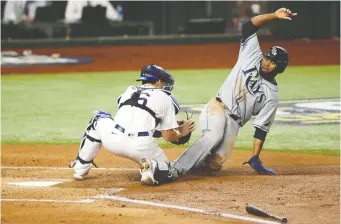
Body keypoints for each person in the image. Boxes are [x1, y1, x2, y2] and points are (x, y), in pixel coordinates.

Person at [139, 8, 297, 185]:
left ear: (280, 68)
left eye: (273, 62)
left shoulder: (271, 96)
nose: (267, 62)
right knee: (212, 137)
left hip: (235, 123)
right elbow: (249, 27)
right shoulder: (252, 55)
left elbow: (261, 130)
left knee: (214, 164)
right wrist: (274, 16)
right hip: (219, 107)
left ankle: (189, 170)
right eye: (267, 58)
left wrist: (255, 156)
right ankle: (173, 169)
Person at [69, 64, 195, 185]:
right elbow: (168, 136)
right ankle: (150, 168)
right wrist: (181, 131)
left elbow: (133, 124)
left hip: (113, 140)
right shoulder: (165, 98)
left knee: (97, 120)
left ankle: (80, 168)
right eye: (163, 82)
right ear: (157, 82)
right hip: (141, 148)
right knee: (170, 170)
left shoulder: (129, 91)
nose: (164, 85)